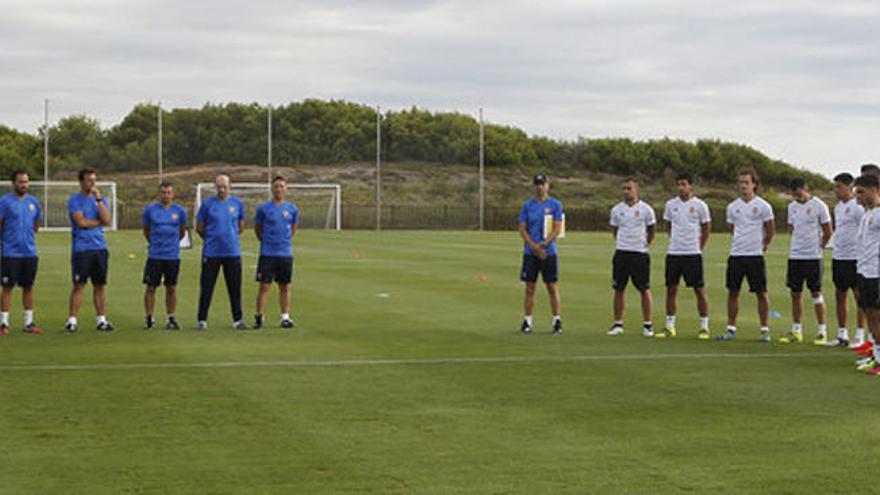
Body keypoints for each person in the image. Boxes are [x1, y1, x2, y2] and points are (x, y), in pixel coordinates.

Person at [717, 168, 774, 342]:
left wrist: (763, 246)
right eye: (740, 183)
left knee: (761, 293)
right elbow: (732, 229)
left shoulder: (763, 206)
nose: (743, 186)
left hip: (755, 256)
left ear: (754, 184)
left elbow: (770, 230)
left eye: (746, 182)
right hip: (736, 255)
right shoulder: (732, 207)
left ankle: (764, 329)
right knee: (733, 292)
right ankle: (731, 329)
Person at [778, 178, 832, 345]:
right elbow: (792, 229)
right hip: (795, 256)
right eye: (794, 195)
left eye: (799, 193)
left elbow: (828, 230)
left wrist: (820, 247)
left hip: (813, 257)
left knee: (816, 293)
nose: (797, 197)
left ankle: (822, 331)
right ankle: (796, 330)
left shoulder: (819, 205)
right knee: (795, 293)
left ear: (806, 189)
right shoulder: (792, 207)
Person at [658, 172, 711, 339]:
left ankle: (704, 326)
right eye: (678, 184)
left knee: (699, 289)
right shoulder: (670, 205)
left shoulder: (700, 205)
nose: (681, 188)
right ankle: (670, 326)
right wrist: (675, 241)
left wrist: (698, 246)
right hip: (674, 253)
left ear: (691, 186)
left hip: (692, 253)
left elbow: (706, 228)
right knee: (671, 288)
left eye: (684, 184)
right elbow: (668, 226)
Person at [66, 168, 115, 332]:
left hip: (100, 248)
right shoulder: (75, 200)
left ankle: (101, 320)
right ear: (81, 182)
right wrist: (98, 222)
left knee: (100, 285)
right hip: (82, 249)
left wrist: (99, 199)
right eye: (89, 180)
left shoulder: (99, 199)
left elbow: (107, 219)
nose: (92, 183)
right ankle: (72, 320)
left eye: (94, 180)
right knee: (79, 285)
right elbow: (81, 222)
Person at [196, 174, 246, 330]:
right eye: (219, 187)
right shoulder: (207, 205)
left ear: (229, 186)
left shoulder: (237, 204)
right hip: (211, 253)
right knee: (207, 288)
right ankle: (202, 319)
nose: (222, 189)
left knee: (235, 288)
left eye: (224, 186)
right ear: (215, 187)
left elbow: (241, 226)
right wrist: (212, 238)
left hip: (232, 253)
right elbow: (200, 227)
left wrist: (229, 237)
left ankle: (238, 319)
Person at [608, 177, 656, 337]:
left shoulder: (646, 209)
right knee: (619, 289)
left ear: (637, 189)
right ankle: (618, 324)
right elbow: (614, 231)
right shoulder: (616, 210)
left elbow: (651, 230)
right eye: (624, 188)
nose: (626, 191)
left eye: (629, 188)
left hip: (640, 254)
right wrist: (623, 243)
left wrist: (643, 244)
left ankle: (648, 325)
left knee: (644, 288)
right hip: (622, 253)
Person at [517, 173, 564, 335]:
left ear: (547, 185)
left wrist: (544, 245)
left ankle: (556, 320)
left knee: (551, 286)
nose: (540, 187)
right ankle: (527, 321)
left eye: (542, 184)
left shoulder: (555, 205)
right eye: (537, 184)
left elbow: (557, 228)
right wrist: (533, 246)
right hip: (531, 252)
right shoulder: (527, 206)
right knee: (530, 287)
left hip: (548, 252)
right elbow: (522, 228)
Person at [253, 176, 299, 329]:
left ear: (286, 189)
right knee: (264, 286)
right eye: (276, 186)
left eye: (281, 186)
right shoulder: (264, 209)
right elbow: (258, 229)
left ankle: (285, 317)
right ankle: (260, 317)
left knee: (284, 286)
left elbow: (293, 229)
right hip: (268, 253)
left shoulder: (292, 209)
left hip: (285, 254)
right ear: (272, 189)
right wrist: (267, 241)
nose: (279, 189)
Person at [0, 170, 42, 335]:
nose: (24, 185)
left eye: (26, 182)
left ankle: (29, 323)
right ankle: (4, 323)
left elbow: (37, 224)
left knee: (28, 287)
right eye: (20, 182)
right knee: (7, 287)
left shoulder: (34, 202)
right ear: (13, 183)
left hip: (30, 253)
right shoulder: (4, 202)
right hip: (10, 253)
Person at [827, 173, 867, 347]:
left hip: (855, 258)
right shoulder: (838, 207)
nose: (836, 190)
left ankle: (860, 336)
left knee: (859, 296)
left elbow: (864, 231)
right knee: (839, 294)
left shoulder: (858, 207)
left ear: (849, 187)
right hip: (839, 256)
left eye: (839, 187)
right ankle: (842, 334)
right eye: (835, 187)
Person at [142, 182, 188, 330]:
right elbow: (146, 230)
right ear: (159, 194)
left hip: (172, 256)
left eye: (168, 192)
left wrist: (172, 244)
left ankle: (171, 318)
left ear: (173, 194)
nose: (166, 195)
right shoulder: (150, 210)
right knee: (151, 287)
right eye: (163, 192)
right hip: (155, 255)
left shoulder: (180, 211)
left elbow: (182, 232)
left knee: (171, 288)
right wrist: (155, 243)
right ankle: (149, 318)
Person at [852, 174, 880, 375]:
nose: (857, 197)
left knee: (877, 317)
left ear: (873, 189)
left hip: (876, 273)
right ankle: (876, 355)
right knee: (870, 315)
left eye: (860, 192)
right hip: (864, 271)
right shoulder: (867, 214)